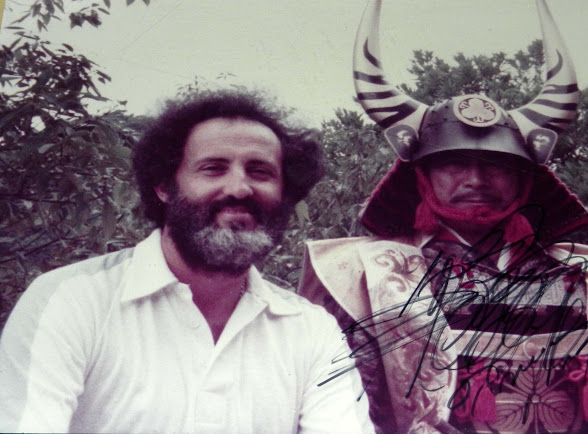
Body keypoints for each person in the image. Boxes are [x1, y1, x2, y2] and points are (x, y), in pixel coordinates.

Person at [299, 1, 588, 433]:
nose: (476, 179)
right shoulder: (359, 278)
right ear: (421, 176)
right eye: (453, 164)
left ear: (525, 180)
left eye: (497, 166)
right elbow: (335, 401)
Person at [0, 89, 374, 433]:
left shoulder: (311, 331)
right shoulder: (71, 302)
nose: (239, 188)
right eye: (213, 168)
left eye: (260, 172)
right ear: (164, 186)